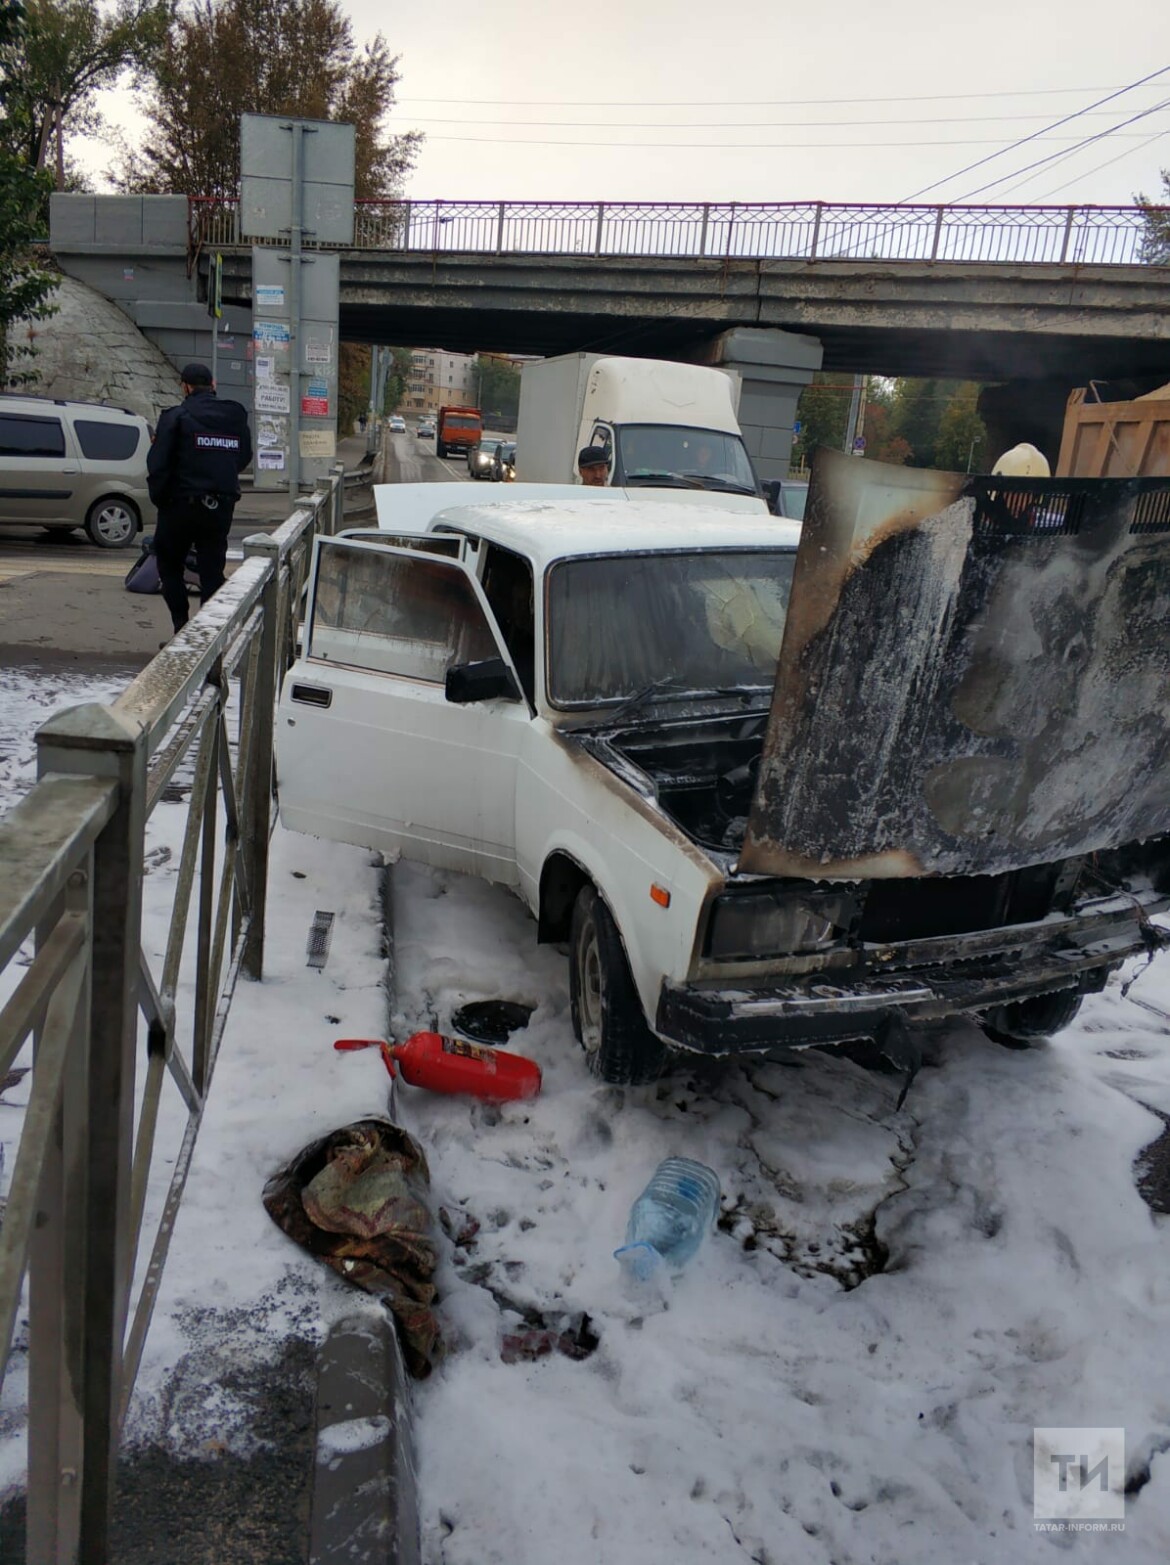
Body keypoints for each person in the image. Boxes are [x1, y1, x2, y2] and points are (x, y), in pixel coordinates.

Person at [147, 363, 252, 640]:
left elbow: (158, 464)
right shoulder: (235, 415)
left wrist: (161, 499)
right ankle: (206, 635)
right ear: (213, 384)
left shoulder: (175, 416)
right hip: (220, 504)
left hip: (180, 505)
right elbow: (243, 457)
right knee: (212, 571)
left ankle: (181, 627)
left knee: (169, 565)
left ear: (185, 386)